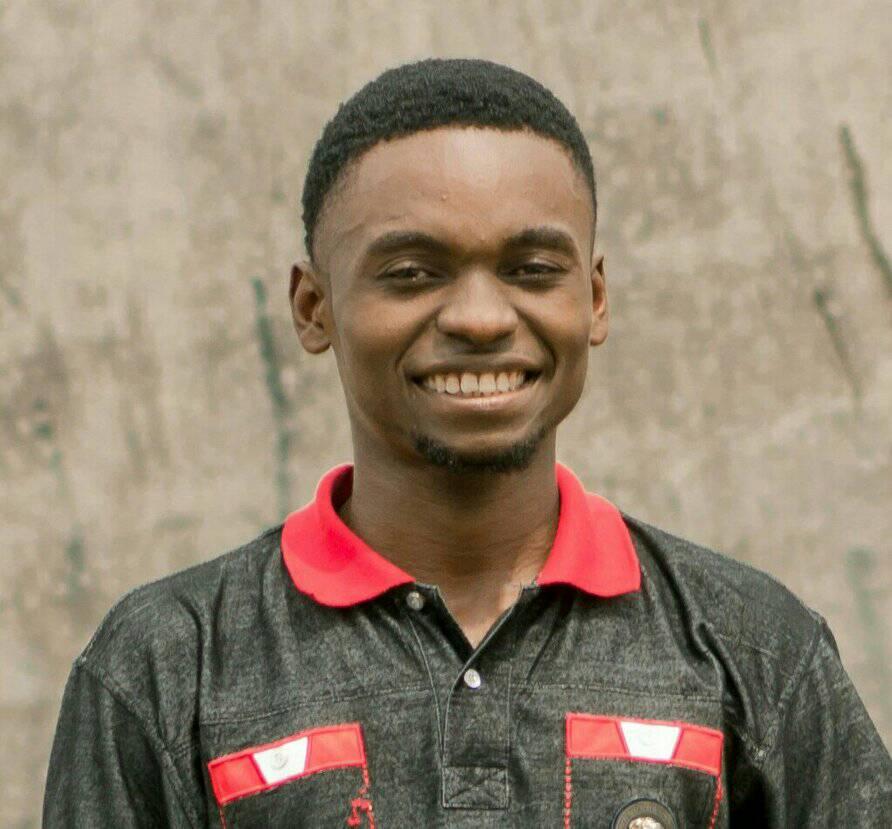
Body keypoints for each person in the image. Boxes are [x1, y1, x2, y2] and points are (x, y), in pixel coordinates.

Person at [43, 58, 890, 828]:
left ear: (594, 300)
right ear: (313, 308)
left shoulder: (753, 649)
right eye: (412, 273)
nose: (481, 319)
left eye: (533, 270)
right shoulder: (169, 664)